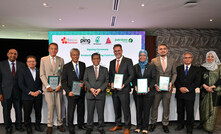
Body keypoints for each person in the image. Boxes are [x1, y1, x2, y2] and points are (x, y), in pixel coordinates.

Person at [149, 44, 177, 133]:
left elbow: (174, 73)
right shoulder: (154, 60)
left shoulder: (172, 60)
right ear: (158, 51)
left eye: (164, 49)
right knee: (154, 106)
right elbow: (152, 74)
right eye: (160, 49)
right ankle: (153, 123)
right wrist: (155, 85)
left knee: (166, 106)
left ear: (167, 50)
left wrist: (171, 83)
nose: (162, 50)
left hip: (168, 88)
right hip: (157, 88)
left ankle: (165, 124)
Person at [108, 44, 134, 134]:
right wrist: (111, 82)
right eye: (115, 51)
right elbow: (111, 75)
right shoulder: (111, 62)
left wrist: (124, 84)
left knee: (126, 109)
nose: (117, 52)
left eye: (118, 50)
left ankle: (127, 126)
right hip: (115, 90)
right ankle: (118, 124)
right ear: (113, 52)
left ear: (122, 51)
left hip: (124, 90)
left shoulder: (128, 61)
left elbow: (131, 75)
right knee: (116, 108)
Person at [40, 43, 65, 134]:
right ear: (48, 49)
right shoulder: (43, 59)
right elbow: (42, 74)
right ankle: (49, 125)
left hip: (58, 88)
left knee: (59, 106)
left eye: (55, 49)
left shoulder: (61, 60)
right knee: (50, 107)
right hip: (48, 89)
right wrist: (47, 86)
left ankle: (60, 123)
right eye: (52, 49)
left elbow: (62, 74)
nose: (53, 50)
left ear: (57, 50)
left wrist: (60, 85)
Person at [174, 52, 201, 134]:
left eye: (189, 57)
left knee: (190, 111)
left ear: (192, 59)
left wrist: (188, 89)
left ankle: (189, 127)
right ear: (183, 59)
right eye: (185, 57)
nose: (187, 59)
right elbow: (176, 80)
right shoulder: (178, 68)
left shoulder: (196, 69)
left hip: (189, 94)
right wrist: (179, 88)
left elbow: (197, 82)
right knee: (180, 110)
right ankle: (180, 125)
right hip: (180, 93)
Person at [61, 48, 86, 134]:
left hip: (81, 92)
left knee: (81, 109)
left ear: (79, 55)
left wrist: (83, 82)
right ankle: (70, 127)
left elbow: (84, 78)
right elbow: (63, 81)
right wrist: (68, 92)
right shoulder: (66, 66)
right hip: (71, 93)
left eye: (77, 54)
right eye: (74, 55)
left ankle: (80, 124)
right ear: (71, 56)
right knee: (70, 111)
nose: (75, 56)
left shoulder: (83, 65)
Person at [0, 49, 25, 134]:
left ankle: (18, 126)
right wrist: (0, 93)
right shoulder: (1, 64)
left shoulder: (22, 65)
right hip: (5, 92)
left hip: (18, 92)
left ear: (17, 56)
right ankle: (8, 127)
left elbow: (23, 79)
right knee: (6, 111)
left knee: (18, 110)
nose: (13, 55)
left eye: (15, 54)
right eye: (11, 53)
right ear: (7, 54)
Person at [83, 53, 109, 134]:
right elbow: (85, 80)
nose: (96, 60)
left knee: (100, 112)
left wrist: (100, 89)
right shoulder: (87, 69)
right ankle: (89, 127)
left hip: (100, 94)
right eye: (94, 58)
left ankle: (101, 127)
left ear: (100, 59)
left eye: (97, 58)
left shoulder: (105, 69)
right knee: (90, 112)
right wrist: (90, 89)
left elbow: (107, 80)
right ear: (92, 60)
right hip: (90, 94)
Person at [18, 55, 43, 134]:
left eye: (33, 61)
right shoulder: (22, 71)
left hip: (38, 95)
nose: (31, 63)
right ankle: (28, 126)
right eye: (29, 61)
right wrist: (30, 92)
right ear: (26, 63)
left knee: (38, 112)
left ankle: (37, 125)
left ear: (36, 62)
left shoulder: (40, 70)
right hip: (27, 96)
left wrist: (39, 91)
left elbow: (42, 83)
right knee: (27, 113)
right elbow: (20, 84)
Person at [133, 50, 156, 134]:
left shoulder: (152, 66)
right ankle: (138, 126)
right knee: (138, 110)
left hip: (149, 93)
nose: (142, 57)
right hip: (137, 92)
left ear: (147, 56)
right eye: (140, 55)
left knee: (146, 110)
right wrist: (135, 86)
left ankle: (145, 127)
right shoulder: (135, 66)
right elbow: (133, 78)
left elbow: (154, 78)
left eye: (144, 55)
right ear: (138, 57)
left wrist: (149, 87)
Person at [199, 51, 221, 134]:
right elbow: (199, 78)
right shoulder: (202, 67)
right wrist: (206, 87)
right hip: (204, 91)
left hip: (215, 92)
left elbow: (220, 78)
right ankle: (203, 124)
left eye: (212, 56)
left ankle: (210, 128)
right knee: (203, 108)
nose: (210, 58)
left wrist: (212, 86)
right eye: (208, 56)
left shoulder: (219, 67)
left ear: (215, 57)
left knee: (214, 109)